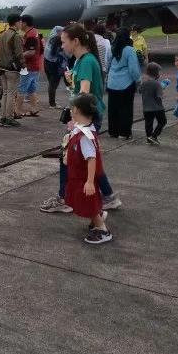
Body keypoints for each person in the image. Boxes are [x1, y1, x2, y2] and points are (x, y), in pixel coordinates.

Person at [39, 23, 122, 213]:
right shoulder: (83, 60)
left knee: (69, 158)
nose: (62, 46)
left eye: (64, 42)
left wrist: (75, 122)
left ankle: (64, 198)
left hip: (84, 117)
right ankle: (107, 196)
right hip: (85, 116)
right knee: (86, 158)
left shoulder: (85, 62)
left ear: (75, 41)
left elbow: (84, 94)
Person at [64, 93, 112, 245]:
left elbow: (91, 158)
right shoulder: (82, 129)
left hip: (83, 178)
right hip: (78, 176)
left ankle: (102, 229)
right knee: (87, 201)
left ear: (76, 110)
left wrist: (90, 181)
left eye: (72, 109)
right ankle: (98, 216)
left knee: (88, 202)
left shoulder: (85, 135)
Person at [106, 28, 142, 139]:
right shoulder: (129, 50)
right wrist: (138, 80)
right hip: (125, 83)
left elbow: (108, 64)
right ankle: (124, 132)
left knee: (113, 108)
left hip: (112, 82)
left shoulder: (113, 48)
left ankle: (113, 131)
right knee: (125, 108)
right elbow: (133, 69)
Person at [0, 14, 24, 127]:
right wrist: (23, 65)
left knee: (5, 93)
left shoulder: (1, 34)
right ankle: (9, 117)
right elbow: (19, 53)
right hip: (12, 68)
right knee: (11, 94)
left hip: (1, 67)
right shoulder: (15, 36)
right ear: (16, 22)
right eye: (20, 22)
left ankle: (3, 116)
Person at [15, 15, 41, 118]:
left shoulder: (30, 35)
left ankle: (17, 111)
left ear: (24, 23)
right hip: (34, 65)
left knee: (21, 88)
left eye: (20, 22)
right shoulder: (34, 32)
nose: (19, 24)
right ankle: (34, 109)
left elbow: (31, 52)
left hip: (28, 66)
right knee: (31, 89)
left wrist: (19, 56)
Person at [138, 62, 167, 145]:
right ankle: (154, 136)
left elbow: (140, 91)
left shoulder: (144, 83)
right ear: (156, 73)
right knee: (162, 122)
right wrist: (163, 87)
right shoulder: (157, 84)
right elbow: (160, 96)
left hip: (146, 107)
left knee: (148, 124)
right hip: (157, 107)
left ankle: (149, 138)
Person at [43, 26, 66, 108]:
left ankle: (52, 102)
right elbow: (60, 54)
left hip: (46, 62)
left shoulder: (51, 37)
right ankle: (52, 103)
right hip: (54, 64)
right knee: (53, 84)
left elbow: (56, 27)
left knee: (51, 83)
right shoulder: (58, 40)